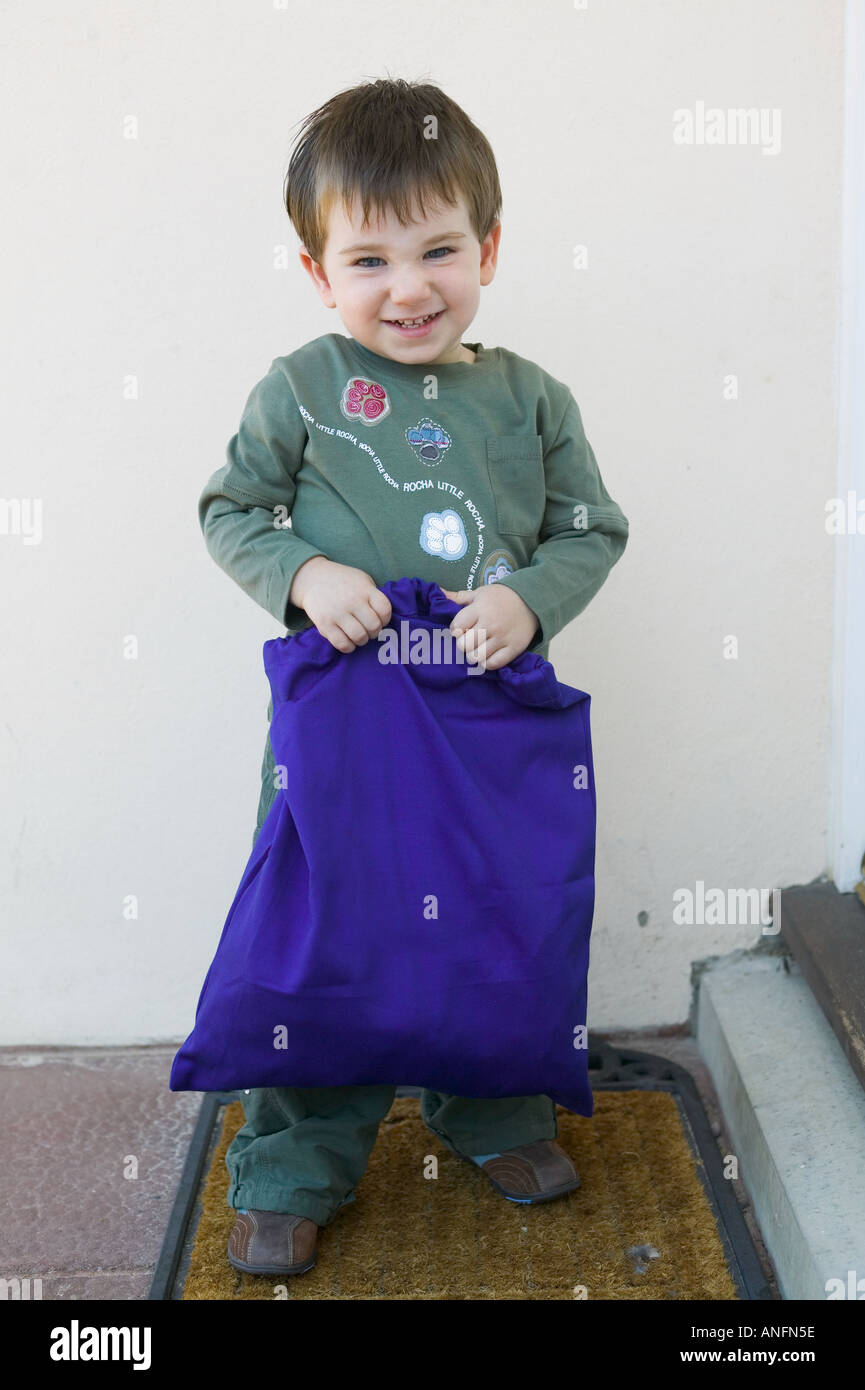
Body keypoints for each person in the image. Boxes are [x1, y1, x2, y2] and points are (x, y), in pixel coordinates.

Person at [195, 76, 630, 1278]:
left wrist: (527, 597)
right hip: (345, 720)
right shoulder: (300, 388)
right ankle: (294, 1158)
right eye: (370, 259)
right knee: (328, 923)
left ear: (488, 247)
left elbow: (591, 528)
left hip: (486, 712)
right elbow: (230, 506)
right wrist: (302, 572)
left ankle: (489, 1108)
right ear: (317, 272)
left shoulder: (531, 399)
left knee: (495, 917)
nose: (410, 286)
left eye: (440, 249)